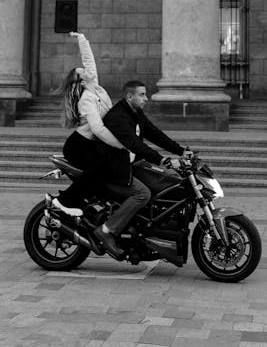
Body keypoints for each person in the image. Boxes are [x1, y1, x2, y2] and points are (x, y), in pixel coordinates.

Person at [53, 32, 151, 258]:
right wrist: (121, 145)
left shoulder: (96, 87)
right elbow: (97, 129)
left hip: (93, 144)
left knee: (108, 168)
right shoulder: (86, 99)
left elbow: (90, 62)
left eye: (85, 70)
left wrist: (82, 39)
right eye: (81, 73)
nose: (86, 72)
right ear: (79, 81)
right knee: (99, 169)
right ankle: (65, 201)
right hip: (79, 145)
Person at [100, 80, 187, 235]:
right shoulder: (118, 117)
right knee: (142, 194)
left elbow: (154, 133)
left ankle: (155, 224)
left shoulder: (134, 112)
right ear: (129, 96)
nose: (146, 98)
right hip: (115, 168)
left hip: (131, 163)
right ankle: (107, 230)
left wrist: (181, 151)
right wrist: (163, 160)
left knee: (171, 178)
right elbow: (135, 145)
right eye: (142, 95)